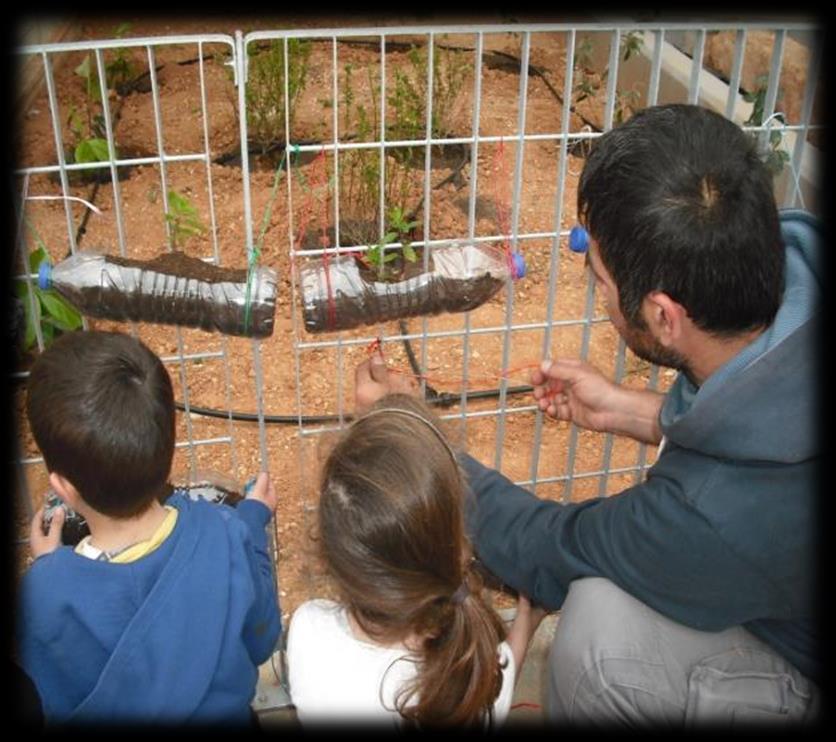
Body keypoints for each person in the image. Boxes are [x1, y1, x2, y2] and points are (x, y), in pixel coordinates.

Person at [354, 104, 822, 726]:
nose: (595, 290)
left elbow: (552, 549)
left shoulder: (713, 518)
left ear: (663, 315)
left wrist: (414, 437)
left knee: (597, 628)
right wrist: (636, 411)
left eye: (598, 276)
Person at [16, 329, 281, 726]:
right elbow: (262, 640)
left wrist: (51, 566)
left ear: (63, 489)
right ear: (167, 452)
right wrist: (253, 518)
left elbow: (52, 698)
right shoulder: (224, 532)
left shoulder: (45, 593)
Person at [286, 393, 547, 729]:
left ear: (331, 556)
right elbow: (505, 670)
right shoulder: (473, 675)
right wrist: (527, 621)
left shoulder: (310, 631)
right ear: (457, 542)